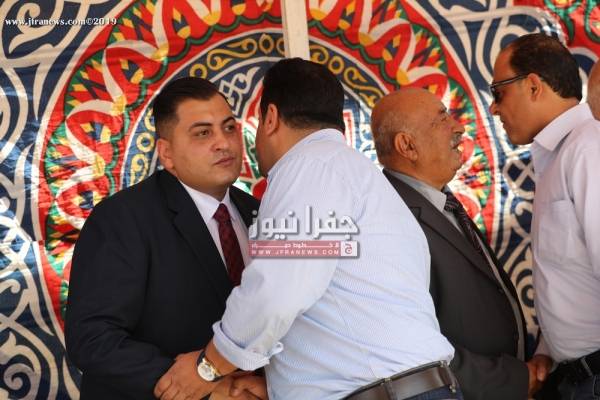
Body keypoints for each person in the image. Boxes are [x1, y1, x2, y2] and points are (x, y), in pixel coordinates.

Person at [153, 58, 462, 400]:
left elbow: (275, 292)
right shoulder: (349, 171)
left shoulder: (308, 168)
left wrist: (209, 366)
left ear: (271, 118)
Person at [65, 77, 262, 399]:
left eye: (228, 128)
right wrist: (207, 386)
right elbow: (92, 337)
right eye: (203, 133)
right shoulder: (122, 218)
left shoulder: (261, 213)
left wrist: (266, 383)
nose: (223, 143)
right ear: (166, 153)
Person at [370, 86, 547, 399]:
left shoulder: (439, 200)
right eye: (441, 119)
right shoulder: (390, 219)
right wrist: (511, 380)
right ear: (407, 146)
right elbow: (412, 341)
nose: (459, 128)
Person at [490, 33, 600, 399]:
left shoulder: (588, 148)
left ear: (534, 86)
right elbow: (571, 276)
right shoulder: (561, 154)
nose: (493, 109)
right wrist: (549, 349)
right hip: (576, 376)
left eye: (499, 92)